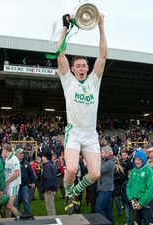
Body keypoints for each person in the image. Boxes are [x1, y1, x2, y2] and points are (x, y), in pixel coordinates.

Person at [57, 12, 107, 214]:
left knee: (94, 174)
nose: (81, 68)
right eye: (77, 65)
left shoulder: (94, 80)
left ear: (87, 68)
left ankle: (75, 191)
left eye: (84, 65)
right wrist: (65, 28)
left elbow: (102, 55)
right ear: (72, 68)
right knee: (70, 169)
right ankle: (69, 192)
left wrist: (101, 26)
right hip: (74, 131)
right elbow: (60, 54)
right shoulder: (67, 80)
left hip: (90, 133)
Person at [126, 150, 153, 225]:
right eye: (135, 159)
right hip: (135, 202)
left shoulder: (150, 172)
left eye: (139, 160)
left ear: (144, 160)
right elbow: (129, 186)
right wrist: (132, 199)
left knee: (148, 222)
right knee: (137, 222)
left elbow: (150, 190)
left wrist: (141, 203)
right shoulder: (133, 171)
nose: (137, 162)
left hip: (146, 202)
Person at [95, 146, 115, 224]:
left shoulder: (109, 162)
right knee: (107, 210)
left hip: (106, 189)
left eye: (102, 152)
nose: (100, 153)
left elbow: (98, 170)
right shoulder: (105, 160)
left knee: (98, 209)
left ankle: (104, 223)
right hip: (103, 188)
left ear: (107, 153)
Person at [1, 144, 21, 219]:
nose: (2, 152)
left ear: (5, 150)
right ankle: (8, 220)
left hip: (14, 184)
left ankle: (21, 217)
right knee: (7, 206)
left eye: (3, 150)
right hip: (9, 185)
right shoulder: (7, 159)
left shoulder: (14, 159)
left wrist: (8, 181)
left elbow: (17, 173)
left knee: (10, 205)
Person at [15, 147, 37, 216]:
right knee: (16, 201)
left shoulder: (26, 163)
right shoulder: (14, 162)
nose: (22, 154)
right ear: (16, 154)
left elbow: (31, 173)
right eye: (20, 153)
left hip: (24, 185)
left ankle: (27, 213)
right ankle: (15, 213)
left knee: (26, 200)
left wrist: (33, 182)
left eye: (23, 153)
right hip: (15, 185)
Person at [40, 151, 57, 215]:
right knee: (50, 206)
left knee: (50, 208)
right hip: (50, 189)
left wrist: (48, 189)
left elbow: (49, 178)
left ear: (46, 157)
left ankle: (53, 220)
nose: (42, 158)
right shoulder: (49, 165)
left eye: (43, 157)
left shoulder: (48, 166)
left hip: (49, 190)